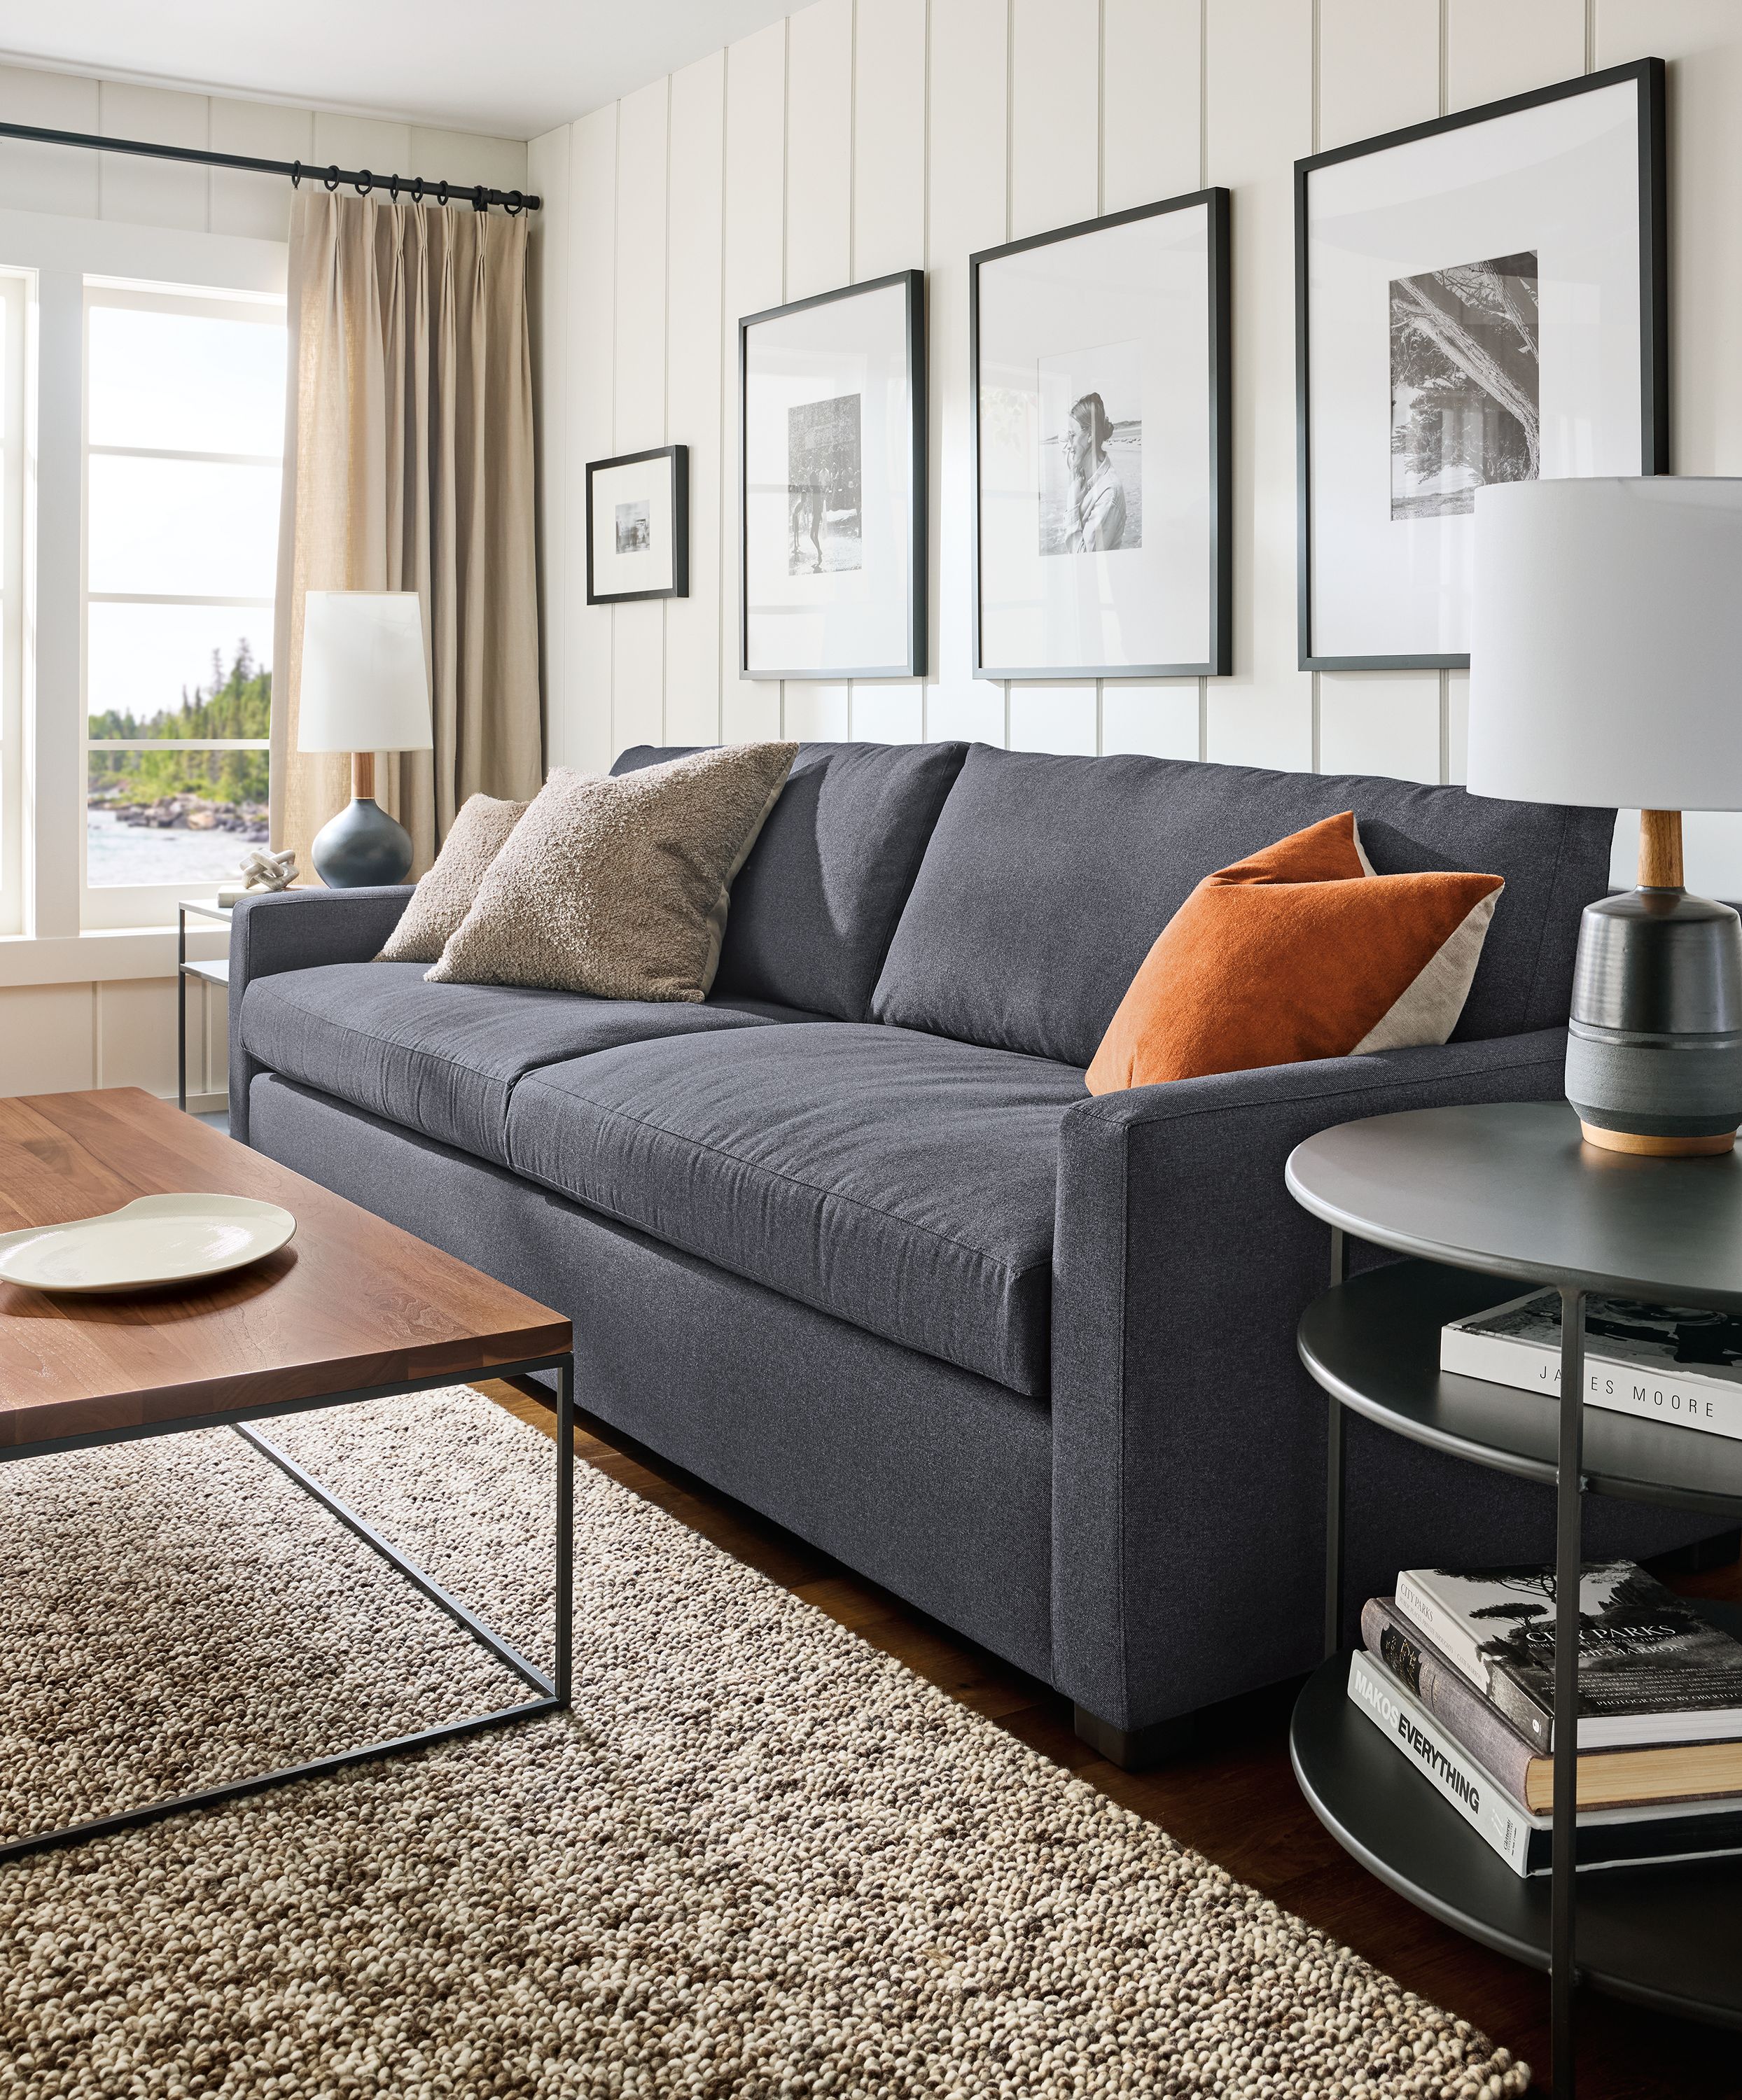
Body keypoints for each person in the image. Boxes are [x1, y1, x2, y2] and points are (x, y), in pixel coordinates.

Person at [1060, 391, 1127, 552]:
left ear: (1090, 436)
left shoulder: (1108, 495)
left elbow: (1084, 560)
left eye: (1072, 435)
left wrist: (1072, 503)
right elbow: (1067, 449)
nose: (1069, 444)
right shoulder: (1080, 464)